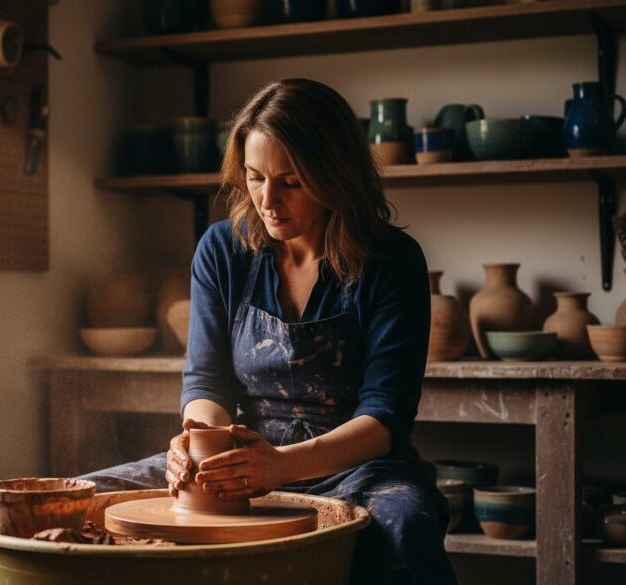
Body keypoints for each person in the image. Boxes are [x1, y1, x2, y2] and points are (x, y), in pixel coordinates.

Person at [81, 78, 457, 585]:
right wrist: (196, 444)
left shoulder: (390, 260)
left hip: (357, 465)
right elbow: (207, 381)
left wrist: (280, 467)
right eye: (255, 177)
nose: (268, 200)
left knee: (405, 526)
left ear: (334, 176)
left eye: (291, 182)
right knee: (80, 498)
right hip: (244, 457)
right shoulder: (223, 250)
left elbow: (385, 417)